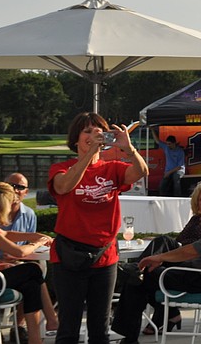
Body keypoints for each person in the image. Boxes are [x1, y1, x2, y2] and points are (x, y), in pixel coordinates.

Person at [110, 176, 201, 344]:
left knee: (142, 275)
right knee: (145, 271)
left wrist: (158, 257)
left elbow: (193, 250)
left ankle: (129, 337)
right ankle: (148, 321)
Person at [49, 112, 148, 344]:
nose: (94, 134)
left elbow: (142, 172)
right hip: (69, 258)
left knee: (99, 329)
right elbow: (63, 187)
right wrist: (90, 155)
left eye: (98, 130)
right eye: (87, 131)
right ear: (76, 139)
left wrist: (129, 149)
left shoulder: (112, 168)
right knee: (68, 329)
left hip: (104, 258)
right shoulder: (61, 168)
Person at [119, 181, 201, 336]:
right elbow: (180, 239)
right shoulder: (196, 219)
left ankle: (165, 310)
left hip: (194, 259)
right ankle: (139, 271)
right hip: (182, 254)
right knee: (161, 241)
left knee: (147, 273)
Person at [0, 173, 59, 339]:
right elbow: (20, 252)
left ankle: (35, 339)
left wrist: (35, 236)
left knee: (32, 285)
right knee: (34, 269)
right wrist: (38, 243)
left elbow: (7, 234)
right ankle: (52, 319)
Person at [150, 128, 185, 197]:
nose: (168, 145)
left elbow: (179, 167)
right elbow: (157, 141)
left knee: (176, 178)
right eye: (167, 144)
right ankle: (162, 198)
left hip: (178, 170)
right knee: (162, 185)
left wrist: (168, 173)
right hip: (168, 171)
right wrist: (152, 130)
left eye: (169, 144)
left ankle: (177, 197)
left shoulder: (180, 151)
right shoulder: (166, 147)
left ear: (174, 143)